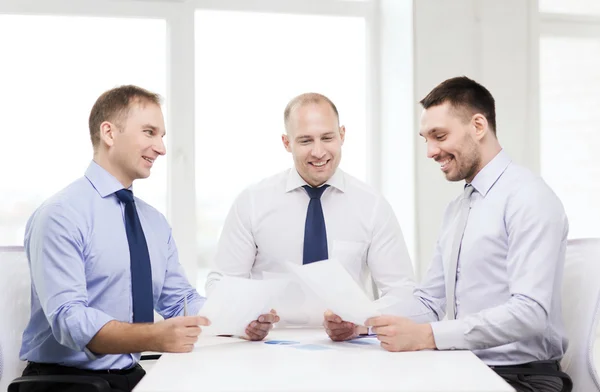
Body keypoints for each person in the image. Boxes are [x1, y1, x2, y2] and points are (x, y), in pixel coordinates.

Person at [19, 85, 277, 392]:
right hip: (65, 383)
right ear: (109, 133)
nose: (162, 148)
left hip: (130, 375)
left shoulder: (153, 222)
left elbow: (180, 300)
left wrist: (239, 323)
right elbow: (69, 320)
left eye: (162, 136)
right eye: (150, 132)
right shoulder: (61, 215)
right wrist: (153, 336)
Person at [364, 76, 572, 392]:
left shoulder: (529, 198)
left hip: (522, 378)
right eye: (426, 139)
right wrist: (362, 319)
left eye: (440, 136)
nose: (431, 151)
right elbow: (429, 301)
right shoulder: (459, 207)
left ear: (478, 126)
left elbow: (530, 313)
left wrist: (429, 336)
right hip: (465, 367)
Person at [206, 92, 415, 335]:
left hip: (351, 351)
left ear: (342, 135)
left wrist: (362, 323)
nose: (318, 152)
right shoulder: (252, 202)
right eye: (305, 141)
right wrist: (243, 323)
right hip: (267, 348)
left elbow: (403, 291)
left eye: (327, 138)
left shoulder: (373, 206)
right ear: (286, 143)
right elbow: (220, 284)